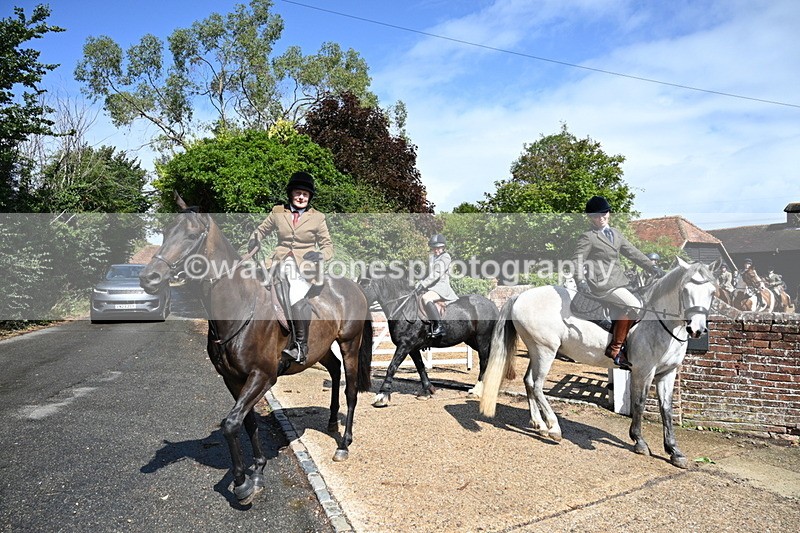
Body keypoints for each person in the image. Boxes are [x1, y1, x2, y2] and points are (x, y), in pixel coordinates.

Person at [248, 171, 333, 364]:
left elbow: (328, 246)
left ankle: (301, 347)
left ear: (309, 197)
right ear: (291, 194)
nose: (301, 197)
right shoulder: (278, 212)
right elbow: (261, 230)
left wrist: (320, 255)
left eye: (305, 194)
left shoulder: (318, 218)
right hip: (277, 263)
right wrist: (255, 239)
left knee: (295, 294)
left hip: (305, 268)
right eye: (298, 193)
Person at [572, 196, 665, 370]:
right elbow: (577, 260)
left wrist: (653, 269)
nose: (600, 219)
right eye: (596, 216)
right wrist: (580, 280)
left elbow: (633, 253)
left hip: (620, 281)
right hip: (602, 283)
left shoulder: (615, 234)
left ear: (608, 213)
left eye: (603, 215)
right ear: (590, 218)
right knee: (635, 306)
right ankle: (615, 348)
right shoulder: (588, 237)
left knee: (644, 302)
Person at [414, 234, 458, 338]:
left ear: (443, 247)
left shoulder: (446, 257)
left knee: (426, 298)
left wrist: (423, 284)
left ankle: (439, 326)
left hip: (441, 287)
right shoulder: (432, 257)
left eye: (438, 247)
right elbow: (428, 274)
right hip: (431, 287)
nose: (436, 250)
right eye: (434, 248)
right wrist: (418, 284)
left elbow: (436, 274)